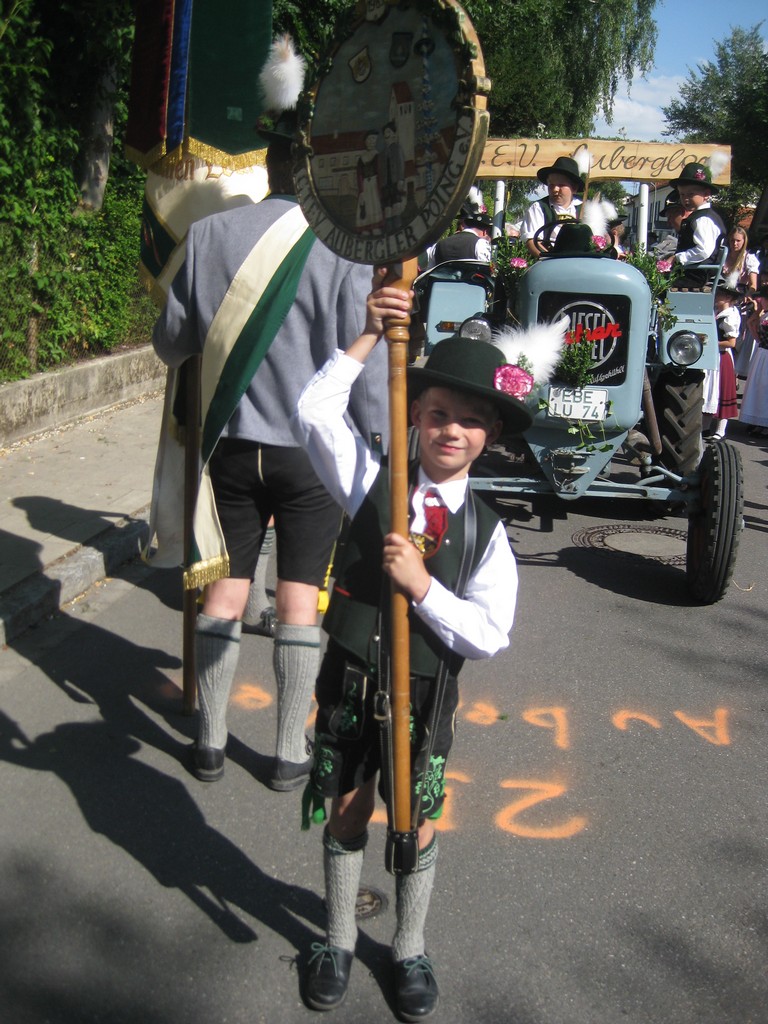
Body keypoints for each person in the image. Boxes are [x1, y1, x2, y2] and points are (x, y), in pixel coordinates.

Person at [291, 271, 533, 1020]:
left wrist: (424, 588)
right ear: (413, 417)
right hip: (352, 676)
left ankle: (409, 947)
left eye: (467, 420)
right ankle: (335, 937)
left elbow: (490, 633)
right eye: (435, 414)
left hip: (425, 696)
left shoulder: (487, 536)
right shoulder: (371, 480)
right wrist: (369, 332)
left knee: (416, 815)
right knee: (347, 805)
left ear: (487, 438)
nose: (449, 430)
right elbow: (313, 411)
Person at [151, 37, 389, 790]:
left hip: (231, 443)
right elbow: (369, 365)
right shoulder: (351, 251)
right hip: (311, 453)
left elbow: (171, 346)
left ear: (268, 171)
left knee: (224, 590)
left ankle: (211, 741)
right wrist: (382, 449)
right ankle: (288, 752)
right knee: (296, 603)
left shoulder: (212, 235)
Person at [668, 163, 726, 287]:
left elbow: (704, 250)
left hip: (695, 276)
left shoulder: (703, 219)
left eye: (690, 194)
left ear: (706, 194)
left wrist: (677, 258)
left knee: (656, 286)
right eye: (682, 194)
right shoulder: (700, 216)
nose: (685, 199)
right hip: (691, 273)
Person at [519, 155, 584, 259]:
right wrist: (551, 259)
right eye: (551, 185)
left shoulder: (586, 208)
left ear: (574, 188)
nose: (555, 189)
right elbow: (531, 241)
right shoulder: (539, 207)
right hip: (549, 264)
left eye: (561, 185)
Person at [703, 284, 740, 439]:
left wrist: (709, 342)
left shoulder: (730, 316)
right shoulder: (718, 313)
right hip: (714, 356)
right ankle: (705, 428)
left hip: (722, 357)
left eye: (721, 294)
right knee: (710, 391)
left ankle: (720, 431)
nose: (717, 296)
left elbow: (731, 343)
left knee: (722, 391)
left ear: (729, 298)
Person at [424, 198, 492, 266]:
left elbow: (430, 272)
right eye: (490, 234)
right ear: (485, 232)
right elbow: (488, 271)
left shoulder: (437, 246)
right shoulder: (481, 244)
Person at [739, 286, 768, 436]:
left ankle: (765, 423)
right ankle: (758, 421)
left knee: (765, 388)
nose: (760, 301)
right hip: (762, 353)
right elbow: (751, 324)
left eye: (762, 298)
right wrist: (757, 311)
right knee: (757, 386)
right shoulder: (764, 316)